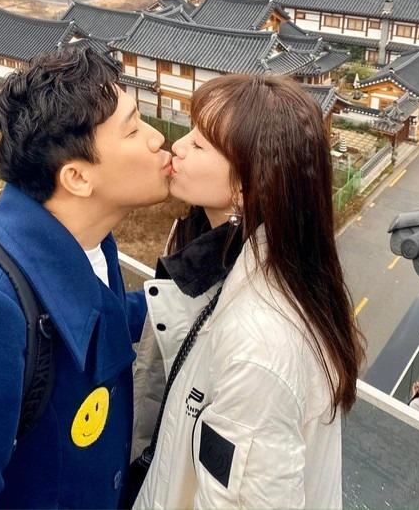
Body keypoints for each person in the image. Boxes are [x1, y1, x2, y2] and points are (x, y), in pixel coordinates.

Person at [0, 47, 172, 509]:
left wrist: (190, 296)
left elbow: (98, 314)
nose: (157, 138)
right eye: (132, 129)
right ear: (77, 178)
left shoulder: (85, 242)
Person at [132, 73, 365, 510]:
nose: (177, 146)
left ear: (244, 187)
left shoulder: (261, 344)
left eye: (200, 144)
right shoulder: (233, 258)